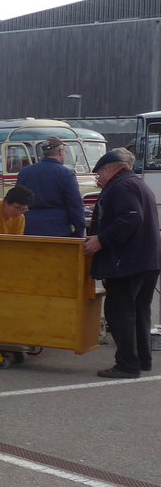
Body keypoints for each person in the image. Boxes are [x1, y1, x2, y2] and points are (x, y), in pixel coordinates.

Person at [84, 148, 159, 378]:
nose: (98, 179)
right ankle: (142, 359)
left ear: (110, 169)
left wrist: (101, 239)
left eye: (99, 173)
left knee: (119, 311)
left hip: (127, 261)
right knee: (138, 310)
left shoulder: (120, 186)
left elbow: (130, 217)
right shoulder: (135, 183)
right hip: (146, 259)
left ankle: (127, 364)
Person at [15, 136, 86, 237]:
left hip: (27, 228)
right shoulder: (66, 174)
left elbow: (16, 201)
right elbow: (75, 206)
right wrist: (79, 231)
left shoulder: (24, 172)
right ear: (61, 152)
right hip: (57, 231)